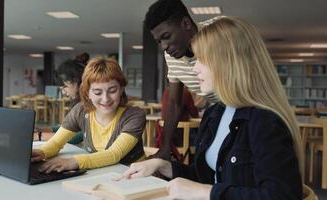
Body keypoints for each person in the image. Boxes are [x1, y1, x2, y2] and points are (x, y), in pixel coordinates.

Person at [120, 16, 304, 199]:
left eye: (202, 59)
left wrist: (203, 192)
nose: (194, 69)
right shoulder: (215, 113)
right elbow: (210, 176)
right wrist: (164, 166)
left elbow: (282, 195)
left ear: (229, 63)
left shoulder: (265, 121)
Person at [31, 57, 146, 173]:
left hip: (133, 176)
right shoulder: (81, 111)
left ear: (121, 89)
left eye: (112, 91)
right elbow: (56, 143)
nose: (105, 99)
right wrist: (41, 152)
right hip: (102, 173)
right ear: (87, 93)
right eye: (97, 92)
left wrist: (74, 161)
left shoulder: (134, 116)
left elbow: (113, 154)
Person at [144, 0, 215, 159]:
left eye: (167, 36)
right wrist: (165, 148)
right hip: (221, 110)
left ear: (185, 23)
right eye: (159, 41)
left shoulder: (218, 32)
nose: (164, 46)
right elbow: (174, 103)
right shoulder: (171, 57)